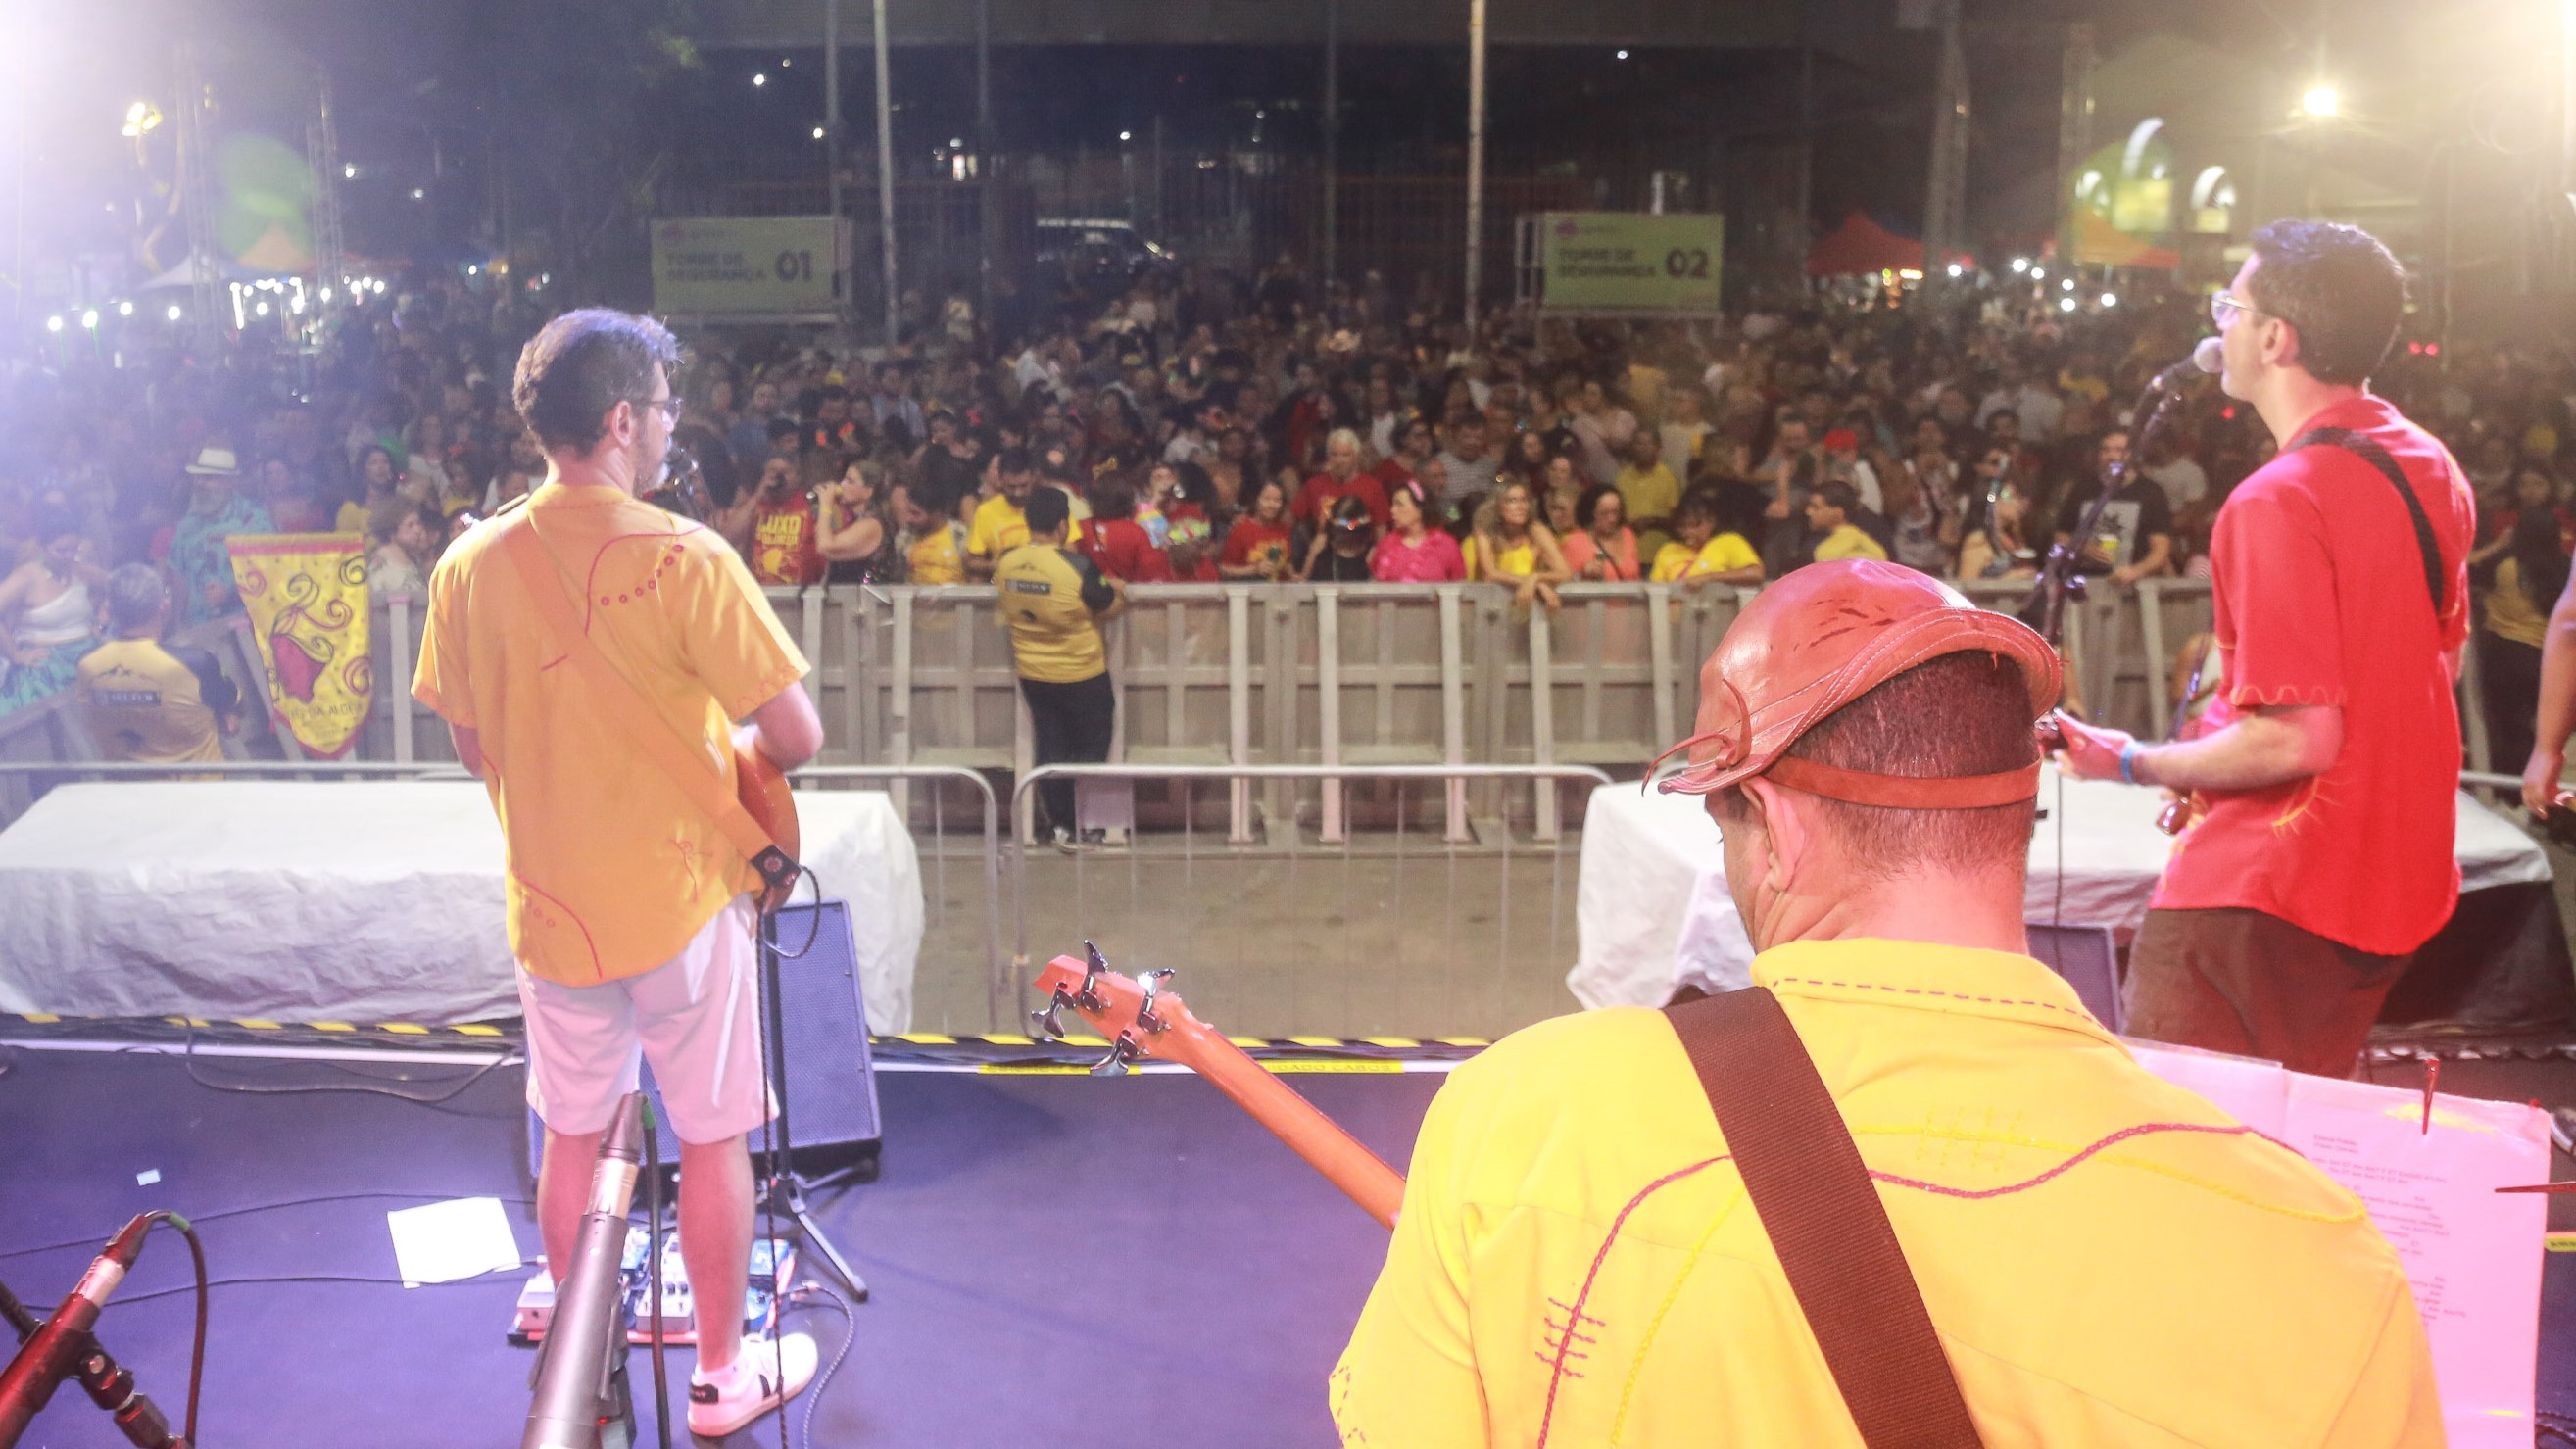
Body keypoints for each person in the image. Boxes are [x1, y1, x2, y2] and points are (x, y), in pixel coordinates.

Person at [1331, 560, 2440, 1444]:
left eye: (1728, 824)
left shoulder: (1525, 1114)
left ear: (1781, 825)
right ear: (2012, 819)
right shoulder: (2319, 1265)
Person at [413, 310, 825, 1438]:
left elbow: (469, 743)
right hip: (683, 902)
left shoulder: (467, 564)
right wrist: (718, 765)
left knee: (577, 1136)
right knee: (710, 1137)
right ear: (621, 420)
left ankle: (582, 1354)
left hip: (552, 908)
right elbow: (794, 737)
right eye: (664, 410)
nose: (670, 429)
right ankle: (722, 1375)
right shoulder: (689, 557)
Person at [2057, 220, 2476, 1079]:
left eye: (2230, 308)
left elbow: (2297, 738)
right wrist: (2207, 771)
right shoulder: (2426, 462)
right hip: (2389, 876)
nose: (2220, 330)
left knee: (2186, 1158)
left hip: (2269, 889)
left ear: (2276, 338)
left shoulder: (2277, 500)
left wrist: (2134, 761)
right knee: (2288, 1145)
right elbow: (2437, 666)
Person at [995, 485, 1125, 851]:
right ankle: (1088, 825)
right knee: (1090, 749)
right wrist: (1121, 592)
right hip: (1082, 674)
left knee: (1050, 747)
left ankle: (1060, 825)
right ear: (1064, 525)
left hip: (1034, 675)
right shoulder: (1077, 566)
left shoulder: (1006, 563)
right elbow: (1107, 606)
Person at [76, 564, 240, 762]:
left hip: (126, 788)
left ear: (109, 610)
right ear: (163, 606)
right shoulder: (195, 663)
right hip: (197, 787)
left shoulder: (86, 665)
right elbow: (233, 706)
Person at [2481, 507, 2564, 773]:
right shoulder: (2567, 569)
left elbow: (2466, 566)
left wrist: (2495, 545)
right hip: (2553, 663)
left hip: (2507, 658)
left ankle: (2512, 796)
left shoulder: (2505, 567)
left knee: (2510, 730)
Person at [0, 503, 104, 714]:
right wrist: (15, 654)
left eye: (72, 549)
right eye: (61, 550)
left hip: (88, 657)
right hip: (45, 664)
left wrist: (101, 620)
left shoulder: (80, 569)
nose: (68, 555)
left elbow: (121, 585)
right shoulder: (27, 575)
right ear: (43, 547)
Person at [164, 445, 275, 628]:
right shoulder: (188, 524)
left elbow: (270, 573)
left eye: (208, 478)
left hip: (242, 628)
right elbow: (179, 578)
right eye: (198, 477)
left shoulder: (253, 520)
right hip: (195, 628)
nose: (199, 484)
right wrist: (176, 627)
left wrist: (231, 593)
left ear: (229, 482)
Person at [2049, 428, 2173, 584]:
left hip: (2131, 586)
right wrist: (2083, 547)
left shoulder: (2151, 492)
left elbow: (2160, 551)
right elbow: (2060, 537)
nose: (2111, 456)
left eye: (2119, 450)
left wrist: (2135, 572)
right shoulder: (2082, 489)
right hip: (2083, 583)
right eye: (2105, 450)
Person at [964, 448, 1078, 580]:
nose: (1018, 493)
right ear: (1000, 479)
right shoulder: (986, 511)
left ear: (1034, 477)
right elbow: (971, 561)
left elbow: (1072, 552)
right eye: (1011, 487)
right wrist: (993, 565)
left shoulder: (1052, 504)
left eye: (1024, 485)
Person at [1466, 478, 1571, 612]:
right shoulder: (1485, 531)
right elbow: (1491, 574)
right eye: (1512, 501)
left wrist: (1535, 578)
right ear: (1498, 506)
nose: (1520, 507)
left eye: (1524, 500)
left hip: (1527, 606)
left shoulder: (1536, 530)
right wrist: (1536, 584)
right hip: (1490, 609)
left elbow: (1564, 573)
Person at [719, 455, 825, 588]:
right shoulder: (754, 507)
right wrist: (757, 497)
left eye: (785, 472)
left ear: (797, 477)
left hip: (800, 594)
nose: (777, 477)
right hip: (760, 591)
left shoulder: (811, 506)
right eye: (772, 471)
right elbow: (728, 538)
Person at [1647, 491, 1763, 590]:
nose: (1688, 532)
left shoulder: (1730, 541)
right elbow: (1655, 587)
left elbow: (1755, 574)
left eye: (1695, 525)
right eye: (1683, 527)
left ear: (1711, 522)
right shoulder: (1668, 550)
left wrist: (1707, 578)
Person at [818, 455, 900, 585]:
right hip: (847, 599)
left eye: (850, 481)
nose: (842, 485)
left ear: (868, 491)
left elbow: (825, 546)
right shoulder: (857, 521)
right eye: (844, 480)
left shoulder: (872, 525)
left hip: (866, 600)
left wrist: (825, 506)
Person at [1292, 428, 1391, 531]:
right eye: (1334, 454)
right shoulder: (1313, 485)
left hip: (1361, 544)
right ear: (1328, 456)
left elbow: (1381, 529)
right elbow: (1293, 520)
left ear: (1356, 457)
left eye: (1345, 455)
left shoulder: (1373, 487)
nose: (1339, 460)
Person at [1370, 479, 1467, 583]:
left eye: (1400, 504)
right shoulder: (1386, 544)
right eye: (1393, 505)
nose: (1393, 510)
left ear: (1420, 508)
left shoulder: (1446, 545)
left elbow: (1459, 585)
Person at [1613, 431, 1681, 563]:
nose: (1644, 448)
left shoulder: (1669, 478)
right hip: (1626, 555)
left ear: (1658, 447)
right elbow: (1615, 515)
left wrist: (1652, 521)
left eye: (1649, 443)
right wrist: (1629, 525)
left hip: (1659, 556)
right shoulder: (1622, 477)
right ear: (1632, 447)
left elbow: (1677, 520)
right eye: (1639, 443)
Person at [1219, 475, 1297, 582]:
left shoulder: (1284, 529)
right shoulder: (1241, 529)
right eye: (1266, 499)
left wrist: (1292, 576)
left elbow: (1287, 563)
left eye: (1277, 500)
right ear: (1256, 499)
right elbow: (1223, 570)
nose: (1272, 505)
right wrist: (1254, 570)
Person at [1560, 484, 1640, 582]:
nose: (1612, 519)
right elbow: (1563, 582)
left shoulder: (1627, 534)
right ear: (1591, 513)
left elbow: (1636, 577)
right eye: (1605, 513)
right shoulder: (1575, 542)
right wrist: (1582, 574)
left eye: (1616, 512)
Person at [367, 503, 443, 598]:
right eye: (410, 525)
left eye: (418, 523)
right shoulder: (377, 564)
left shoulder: (416, 560)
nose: (418, 530)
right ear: (392, 531)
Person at [1806, 479, 1889, 564]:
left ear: (1837, 513)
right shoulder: (1876, 549)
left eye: (1816, 507)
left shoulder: (1825, 551)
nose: (1808, 512)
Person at [1302, 494, 1379, 582]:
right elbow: (1304, 581)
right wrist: (1313, 554)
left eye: (1350, 530)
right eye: (1339, 529)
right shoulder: (1322, 543)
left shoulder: (1372, 552)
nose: (1345, 534)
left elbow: (1374, 589)